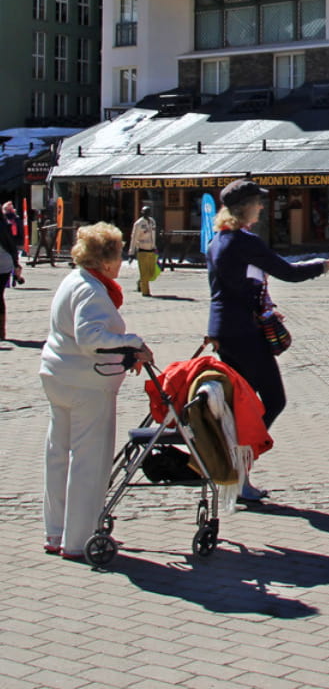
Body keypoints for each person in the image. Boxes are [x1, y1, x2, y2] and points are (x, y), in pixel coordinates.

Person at [206, 178, 329, 501]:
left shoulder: (218, 240)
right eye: (258, 202)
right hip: (244, 333)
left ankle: (237, 469)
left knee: (243, 402)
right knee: (272, 400)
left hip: (226, 331)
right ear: (245, 207)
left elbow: (228, 289)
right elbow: (288, 272)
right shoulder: (243, 241)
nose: (262, 207)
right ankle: (237, 467)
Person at [39, 222, 153, 559]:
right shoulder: (91, 289)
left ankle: (55, 532)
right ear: (106, 261)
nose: (121, 264)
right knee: (89, 461)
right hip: (86, 383)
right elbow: (92, 338)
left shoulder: (74, 279)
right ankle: (78, 538)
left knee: (58, 455)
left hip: (59, 375)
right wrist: (132, 344)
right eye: (118, 257)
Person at [0, 210, 22, 340]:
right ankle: (1, 331)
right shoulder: (4, 225)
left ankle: (1, 331)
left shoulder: (2, 227)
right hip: (5, 263)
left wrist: (16, 264)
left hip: (3, 265)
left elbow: (11, 247)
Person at [128, 204, 158, 296]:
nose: (146, 213)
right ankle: (146, 292)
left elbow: (154, 235)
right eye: (144, 212)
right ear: (141, 212)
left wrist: (155, 247)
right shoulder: (138, 224)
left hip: (151, 250)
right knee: (144, 273)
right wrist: (131, 253)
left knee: (151, 273)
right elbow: (134, 238)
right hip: (142, 250)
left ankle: (140, 282)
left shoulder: (152, 221)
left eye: (148, 211)